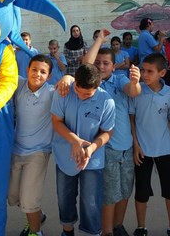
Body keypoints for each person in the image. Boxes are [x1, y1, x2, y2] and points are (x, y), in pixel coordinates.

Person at [84, 29, 141, 236]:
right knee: (109, 194)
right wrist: (99, 39)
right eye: (98, 63)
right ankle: (107, 231)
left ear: (114, 66)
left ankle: (117, 226)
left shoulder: (119, 80)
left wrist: (135, 82)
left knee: (125, 191)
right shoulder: (91, 83)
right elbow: (86, 65)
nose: (101, 66)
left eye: (106, 63)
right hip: (105, 149)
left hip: (125, 147)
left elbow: (133, 92)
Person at [52, 64, 115, 236]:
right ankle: (67, 231)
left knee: (91, 202)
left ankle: (92, 232)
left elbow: (107, 131)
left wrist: (92, 148)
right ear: (75, 82)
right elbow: (56, 121)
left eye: (87, 94)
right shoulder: (64, 92)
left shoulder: (107, 101)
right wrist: (75, 141)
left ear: (98, 86)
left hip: (92, 160)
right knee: (65, 198)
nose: (81, 96)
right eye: (78, 90)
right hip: (65, 157)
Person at [9, 54, 68, 236]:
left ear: (49, 76)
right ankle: (38, 215)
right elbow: (3, 72)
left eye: (43, 72)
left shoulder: (52, 92)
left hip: (38, 152)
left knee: (28, 199)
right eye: (34, 69)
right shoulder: (18, 85)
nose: (37, 74)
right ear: (27, 70)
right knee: (13, 196)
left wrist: (67, 77)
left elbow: (72, 82)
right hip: (16, 150)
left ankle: (36, 232)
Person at [130, 53, 170, 236]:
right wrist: (135, 144)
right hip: (142, 151)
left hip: (165, 149)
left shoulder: (169, 93)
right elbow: (132, 118)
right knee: (142, 192)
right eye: (143, 70)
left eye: (149, 71)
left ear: (162, 73)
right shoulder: (136, 91)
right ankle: (141, 227)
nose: (144, 75)